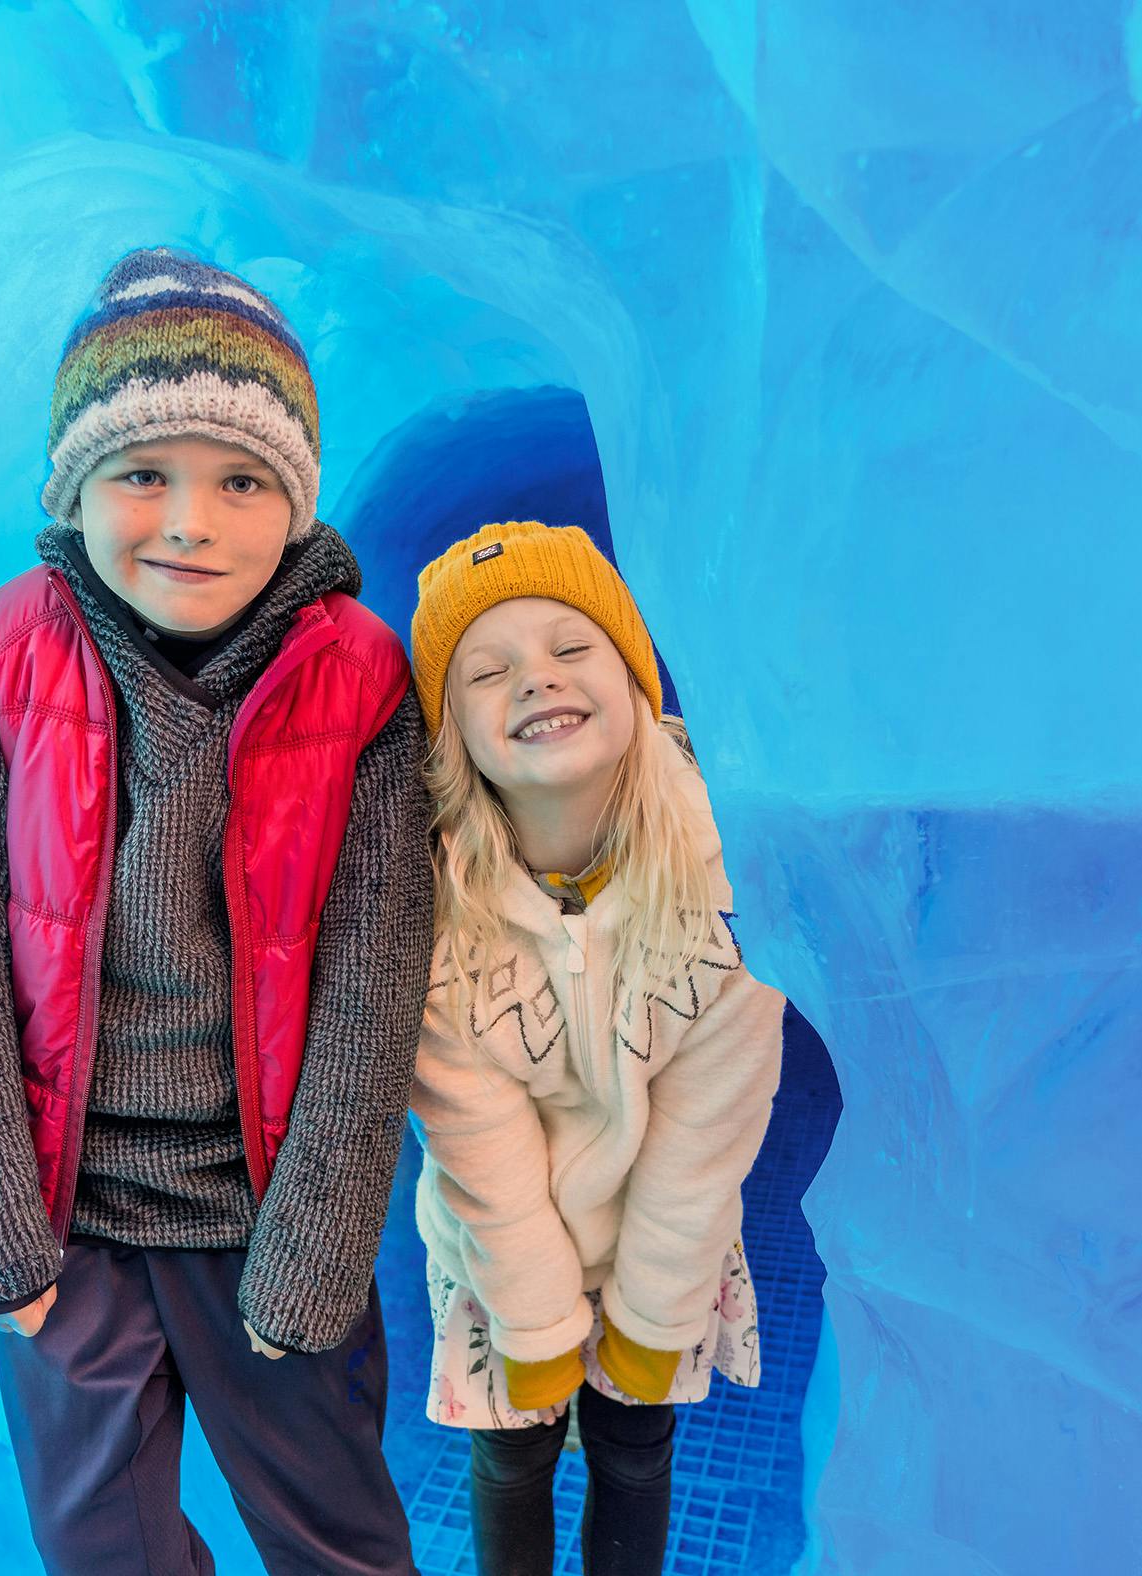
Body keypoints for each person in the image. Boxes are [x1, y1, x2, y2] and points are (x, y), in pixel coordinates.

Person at [0, 246, 432, 1574]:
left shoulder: (358, 677)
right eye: (143, 475)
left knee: (337, 1541)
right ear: (73, 491)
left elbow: (372, 984)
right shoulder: (7, 653)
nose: (189, 521)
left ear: (294, 505)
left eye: (240, 481)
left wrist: (309, 1254)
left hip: (262, 1211)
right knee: (103, 1550)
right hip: (69, 1222)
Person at [404, 521, 787, 1574]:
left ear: (631, 682)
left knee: (633, 1445)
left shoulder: (727, 874)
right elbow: (468, 1124)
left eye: (572, 649)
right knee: (510, 1456)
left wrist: (656, 1304)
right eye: (487, 670)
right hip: (493, 1247)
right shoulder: (427, 900)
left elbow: (713, 1118)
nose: (535, 679)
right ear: (451, 737)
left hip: (664, 1229)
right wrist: (530, 1319)